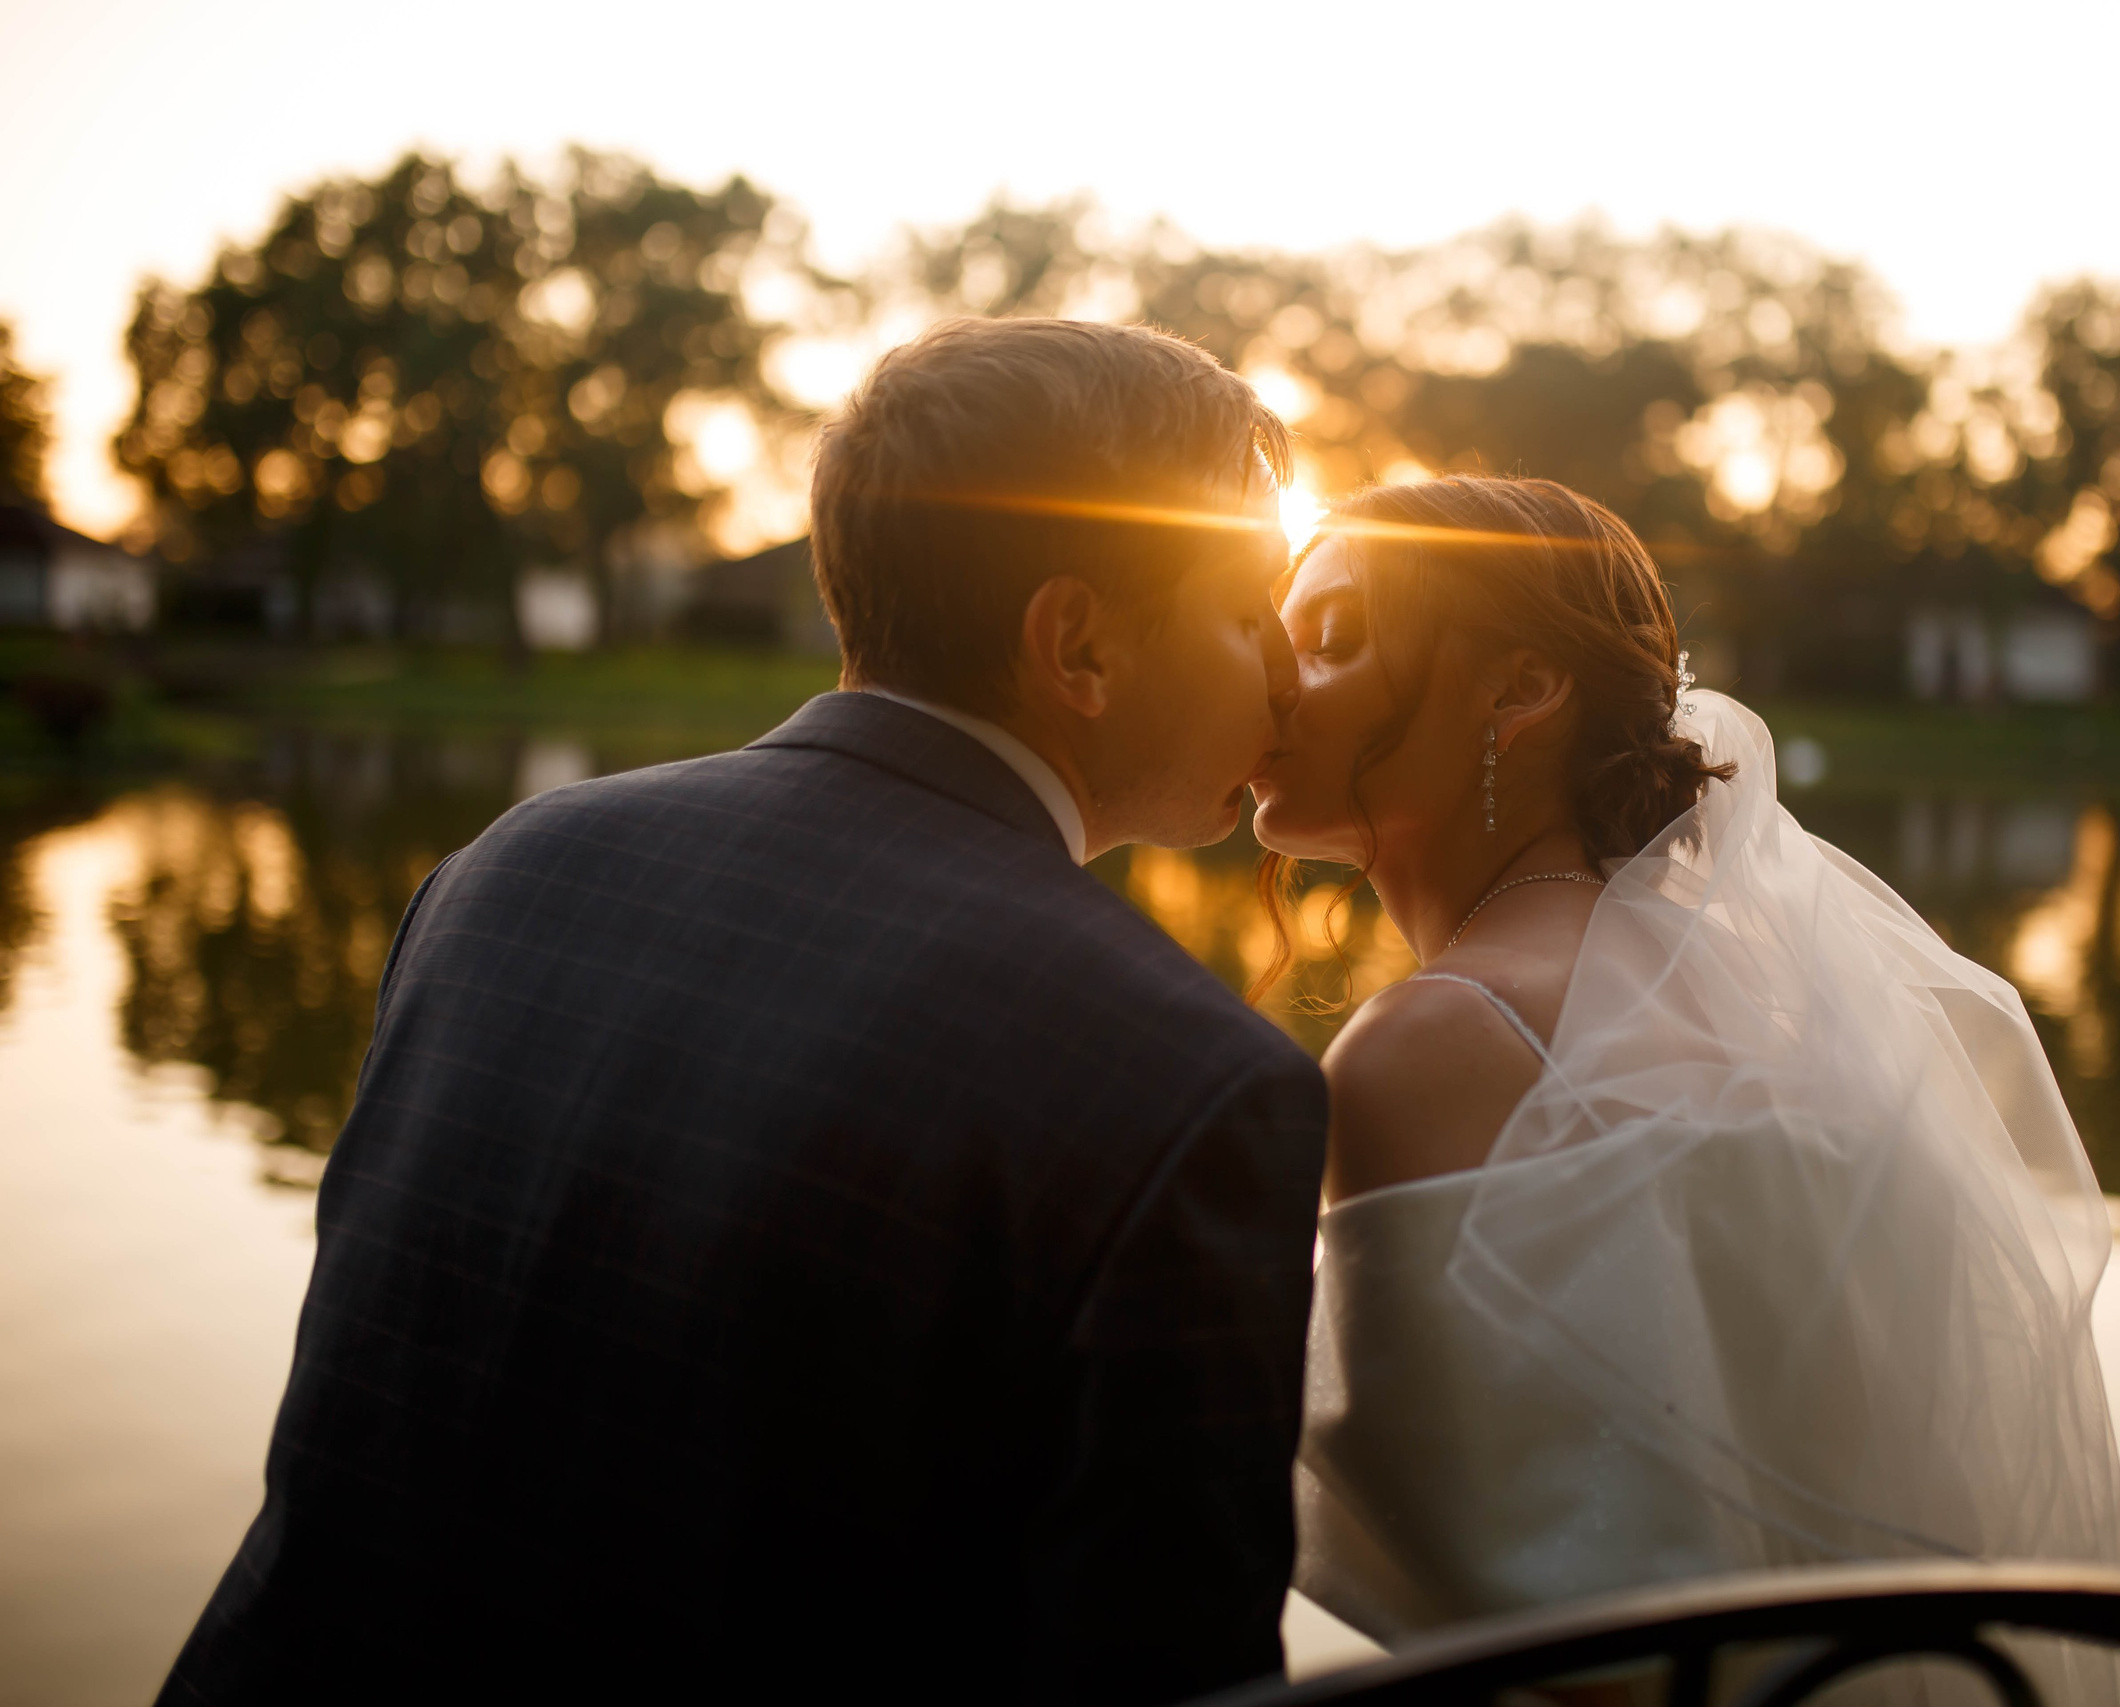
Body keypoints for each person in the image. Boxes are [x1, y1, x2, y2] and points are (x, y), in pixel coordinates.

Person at [159, 319, 1329, 1707]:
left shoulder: (504, 868)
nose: (1284, 670)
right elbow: (1164, 1671)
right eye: (1251, 612)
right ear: (1076, 643)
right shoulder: (1190, 1079)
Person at [1250, 476, 2120, 1640]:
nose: (1273, 679)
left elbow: (1537, 1618)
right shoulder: (1745, 993)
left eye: (1333, 640)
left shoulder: (1433, 1046)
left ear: (1518, 691)